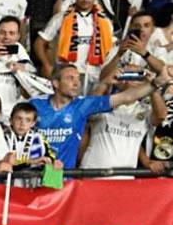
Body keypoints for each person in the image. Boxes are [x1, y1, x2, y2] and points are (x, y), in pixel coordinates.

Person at [31, 63, 162, 169]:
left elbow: (127, 96)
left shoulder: (82, 106)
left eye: (78, 79)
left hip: (62, 177)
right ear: (55, 83)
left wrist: (157, 82)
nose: (77, 83)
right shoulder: (35, 105)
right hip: (32, 174)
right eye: (71, 78)